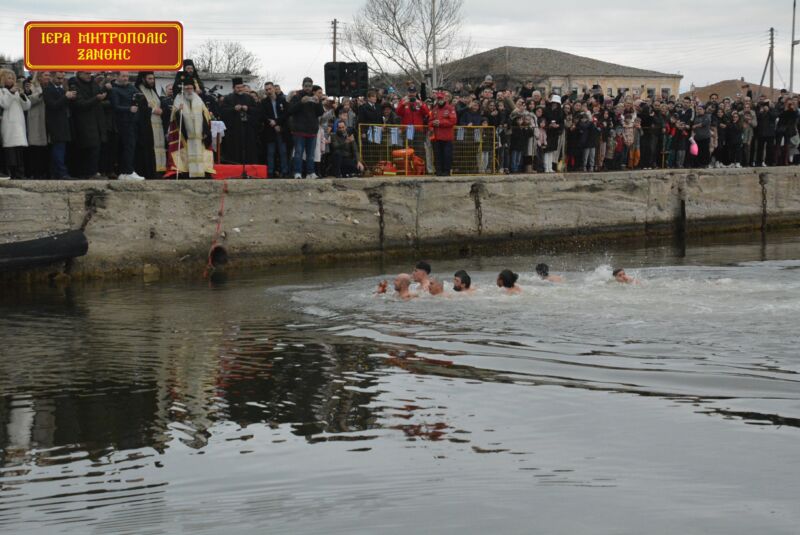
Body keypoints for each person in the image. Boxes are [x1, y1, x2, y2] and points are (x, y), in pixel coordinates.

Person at [167, 83, 215, 178]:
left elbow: (205, 116)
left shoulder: (199, 99)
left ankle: (202, 173)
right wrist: (178, 112)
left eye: (191, 88)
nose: (189, 90)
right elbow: (173, 119)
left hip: (198, 134)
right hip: (186, 134)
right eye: (187, 88)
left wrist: (205, 131)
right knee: (186, 154)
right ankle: (186, 172)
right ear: (183, 89)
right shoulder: (178, 99)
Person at [287, 77, 324, 178]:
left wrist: (319, 102)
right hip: (299, 130)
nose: (308, 88)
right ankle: (297, 172)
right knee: (298, 153)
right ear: (302, 86)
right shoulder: (297, 96)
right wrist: (301, 102)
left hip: (312, 130)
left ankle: (310, 172)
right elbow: (290, 110)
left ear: (312, 87)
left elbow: (320, 113)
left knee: (311, 154)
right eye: (306, 86)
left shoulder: (315, 97)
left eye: (310, 86)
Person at [110, 71, 143, 180]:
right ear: (117, 77)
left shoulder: (131, 88)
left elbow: (139, 96)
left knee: (131, 147)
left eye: (127, 76)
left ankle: (125, 172)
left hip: (134, 122)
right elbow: (115, 107)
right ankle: (128, 171)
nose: (125, 78)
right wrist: (129, 109)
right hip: (123, 123)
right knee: (128, 147)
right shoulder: (114, 90)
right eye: (123, 76)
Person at [0, 68, 32, 179]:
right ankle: (13, 173)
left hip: (19, 124)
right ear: (3, 79)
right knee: (10, 151)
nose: (12, 80)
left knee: (19, 151)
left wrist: (23, 96)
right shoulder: (2, 91)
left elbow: (27, 106)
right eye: (9, 78)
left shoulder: (17, 92)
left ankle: (20, 173)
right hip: (8, 124)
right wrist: (11, 93)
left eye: (13, 78)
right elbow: (4, 104)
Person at [43, 71, 75, 179]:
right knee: (58, 148)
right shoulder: (48, 90)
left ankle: (56, 172)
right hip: (55, 124)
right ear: (52, 77)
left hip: (63, 123)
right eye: (58, 78)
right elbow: (53, 105)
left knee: (61, 149)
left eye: (62, 78)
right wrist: (66, 97)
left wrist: (70, 98)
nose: (60, 80)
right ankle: (61, 172)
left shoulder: (61, 89)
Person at [221, 77, 260, 165]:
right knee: (234, 148)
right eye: (238, 87)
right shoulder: (228, 98)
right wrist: (233, 109)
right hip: (234, 129)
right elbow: (223, 112)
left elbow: (256, 111)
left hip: (247, 129)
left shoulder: (249, 98)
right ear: (233, 88)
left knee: (249, 148)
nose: (240, 89)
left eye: (241, 87)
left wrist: (248, 108)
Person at [134, 71, 166, 178]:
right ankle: (148, 172)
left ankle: (158, 171)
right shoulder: (138, 90)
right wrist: (152, 110)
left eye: (153, 79)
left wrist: (163, 110)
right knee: (147, 149)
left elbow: (160, 105)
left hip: (157, 125)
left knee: (158, 148)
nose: (152, 81)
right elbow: (139, 108)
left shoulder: (153, 91)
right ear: (143, 79)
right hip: (145, 126)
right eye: (149, 79)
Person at [261, 81, 289, 177]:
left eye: (270, 89)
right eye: (267, 89)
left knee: (283, 152)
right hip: (270, 130)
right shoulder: (264, 102)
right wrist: (272, 123)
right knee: (270, 152)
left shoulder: (282, 100)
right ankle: (270, 172)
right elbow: (263, 116)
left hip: (281, 129)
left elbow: (286, 114)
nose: (269, 91)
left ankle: (284, 171)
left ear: (274, 88)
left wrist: (277, 123)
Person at [430, 90, 456, 176]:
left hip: (447, 137)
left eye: (441, 98)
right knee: (438, 155)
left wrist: (440, 123)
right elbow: (429, 121)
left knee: (447, 155)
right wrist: (432, 124)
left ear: (444, 99)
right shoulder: (434, 109)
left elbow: (453, 121)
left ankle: (446, 171)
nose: (440, 100)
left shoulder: (450, 108)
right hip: (437, 137)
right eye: (438, 98)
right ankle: (439, 171)